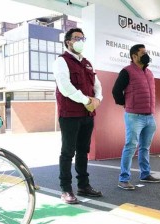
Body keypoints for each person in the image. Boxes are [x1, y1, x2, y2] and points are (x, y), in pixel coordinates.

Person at [52, 28, 103, 204]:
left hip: (88, 114)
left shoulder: (87, 63)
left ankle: (84, 185)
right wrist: (86, 100)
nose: (80, 41)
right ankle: (66, 189)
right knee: (68, 152)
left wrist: (97, 100)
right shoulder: (61, 61)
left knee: (83, 151)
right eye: (76, 38)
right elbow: (65, 87)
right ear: (68, 42)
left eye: (82, 38)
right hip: (70, 114)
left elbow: (97, 85)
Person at [112, 44, 160, 190]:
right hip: (134, 116)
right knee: (130, 146)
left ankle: (145, 174)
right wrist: (126, 104)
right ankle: (123, 179)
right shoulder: (126, 72)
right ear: (134, 56)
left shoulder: (149, 73)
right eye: (143, 53)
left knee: (145, 147)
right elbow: (116, 91)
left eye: (146, 52)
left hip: (149, 116)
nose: (146, 55)